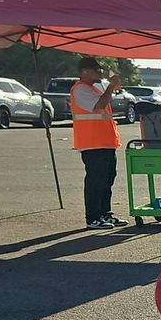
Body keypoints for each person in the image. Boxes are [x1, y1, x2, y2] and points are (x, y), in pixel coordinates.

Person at [68, 57, 126, 229]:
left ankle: (105, 213)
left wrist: (110, 87)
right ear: (85, 71)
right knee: (96, 180)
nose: (101, 72)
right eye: (97, 69)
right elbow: (99, 105)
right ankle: (93, 217)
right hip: (92, 143)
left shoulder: (93, 88)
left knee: (108, 178)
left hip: (105, 142)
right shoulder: (79, 89)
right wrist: (110, 87)